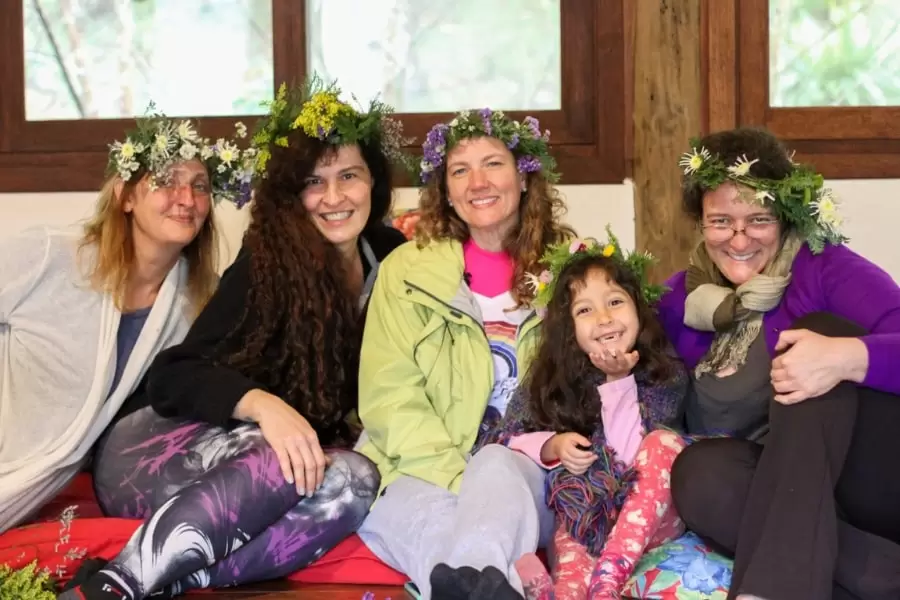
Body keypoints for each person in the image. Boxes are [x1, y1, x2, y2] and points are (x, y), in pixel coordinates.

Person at [60, 78, 410, 600]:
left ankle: (161, 578)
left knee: (355, 479)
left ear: (373, 183)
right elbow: (174, 374)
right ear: (292, 195)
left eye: (349, 176)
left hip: (254, 467)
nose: (334, 197)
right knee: (283, 451)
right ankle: (112, 589)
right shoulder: (265, 266)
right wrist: (266, 406)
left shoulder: (390, 254)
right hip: (154, 450)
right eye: (315, 182)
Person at [658, 127, 900, 600]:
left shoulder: (823, 267)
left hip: (871, 479)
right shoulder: (679, 301)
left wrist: (846, 357)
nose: (739, 239)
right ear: (700, 223)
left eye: (759, 219)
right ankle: (883, 578)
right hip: (797, 502)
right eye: (721, 221)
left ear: (786, 218)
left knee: (816, 339)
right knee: (699, 472)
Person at [356, 108, 574, 600]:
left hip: (524, 472)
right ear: (446, 192)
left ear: (523, 176)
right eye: (460, 170)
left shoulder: (572, 267)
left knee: (494, 465)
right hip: (414, 470)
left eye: (493, 164)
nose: (478, 182)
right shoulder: (405, 271)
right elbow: (389, 395)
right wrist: (458, 478)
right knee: (445, 533)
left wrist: (483, 479)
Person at [0, 110, 248, 535]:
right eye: (166, 181)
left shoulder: (195, 305)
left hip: (47, 485)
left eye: (200, 186)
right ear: (125, 195)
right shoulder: (48, 255)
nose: (186, 199)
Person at [482, 233, 688, 600]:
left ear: (638, 309)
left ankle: (608, 577)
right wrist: (551, 445)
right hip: (583, 517)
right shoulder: (550, 378)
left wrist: (618, 381)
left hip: (648, 519)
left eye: (615, 302)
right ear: (567, 328)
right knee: (569, 528)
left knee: (663, 442)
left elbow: (629, 460)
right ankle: (551, 591)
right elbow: (499, 439)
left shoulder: (665, 372)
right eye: (585, 310)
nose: (605, 318)